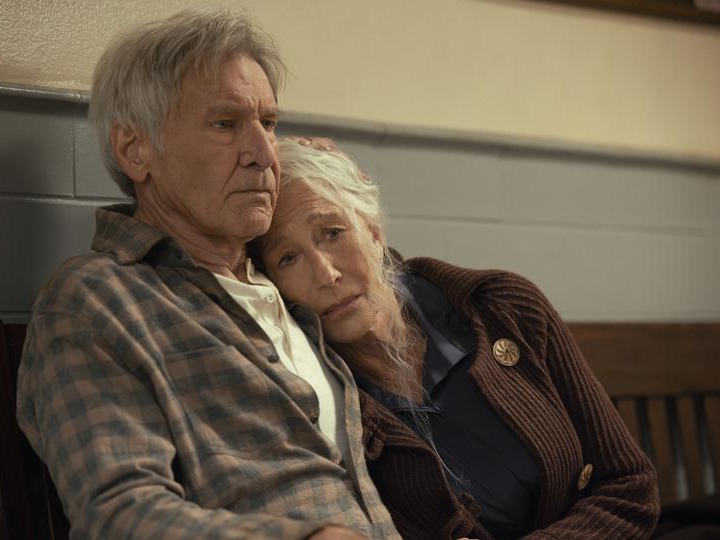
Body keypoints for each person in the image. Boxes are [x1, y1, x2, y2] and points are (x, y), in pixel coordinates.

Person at [16, 11, 400, 540]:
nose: (264, 155)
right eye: (225, 124)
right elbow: (119, 515)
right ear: (135, 150)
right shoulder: (97, 299)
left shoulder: (284, 276)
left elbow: (387, 285)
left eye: (268, 123)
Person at [252, 138, 661, 540]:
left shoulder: (502, 307)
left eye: (333, 232)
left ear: (373, 230)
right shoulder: (318, 399)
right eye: (287, 258)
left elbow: (629, 484)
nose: (325, 274)